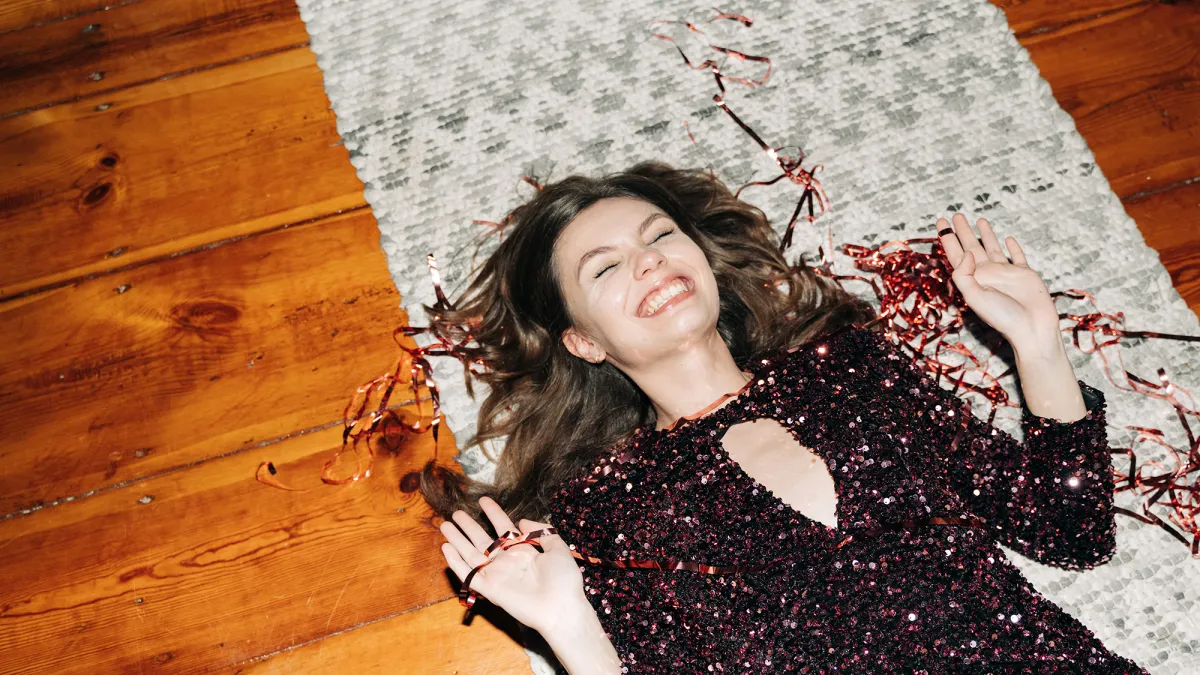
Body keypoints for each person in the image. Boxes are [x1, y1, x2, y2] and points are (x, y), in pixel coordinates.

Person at [426, 162, 1147, 673]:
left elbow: (1069, 530)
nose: (648, 263)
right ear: (583, 341)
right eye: (606, 269)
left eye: (660, 237)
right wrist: (568, 626)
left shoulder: (855, 369)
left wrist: (1038, 344)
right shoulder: (607, 513)